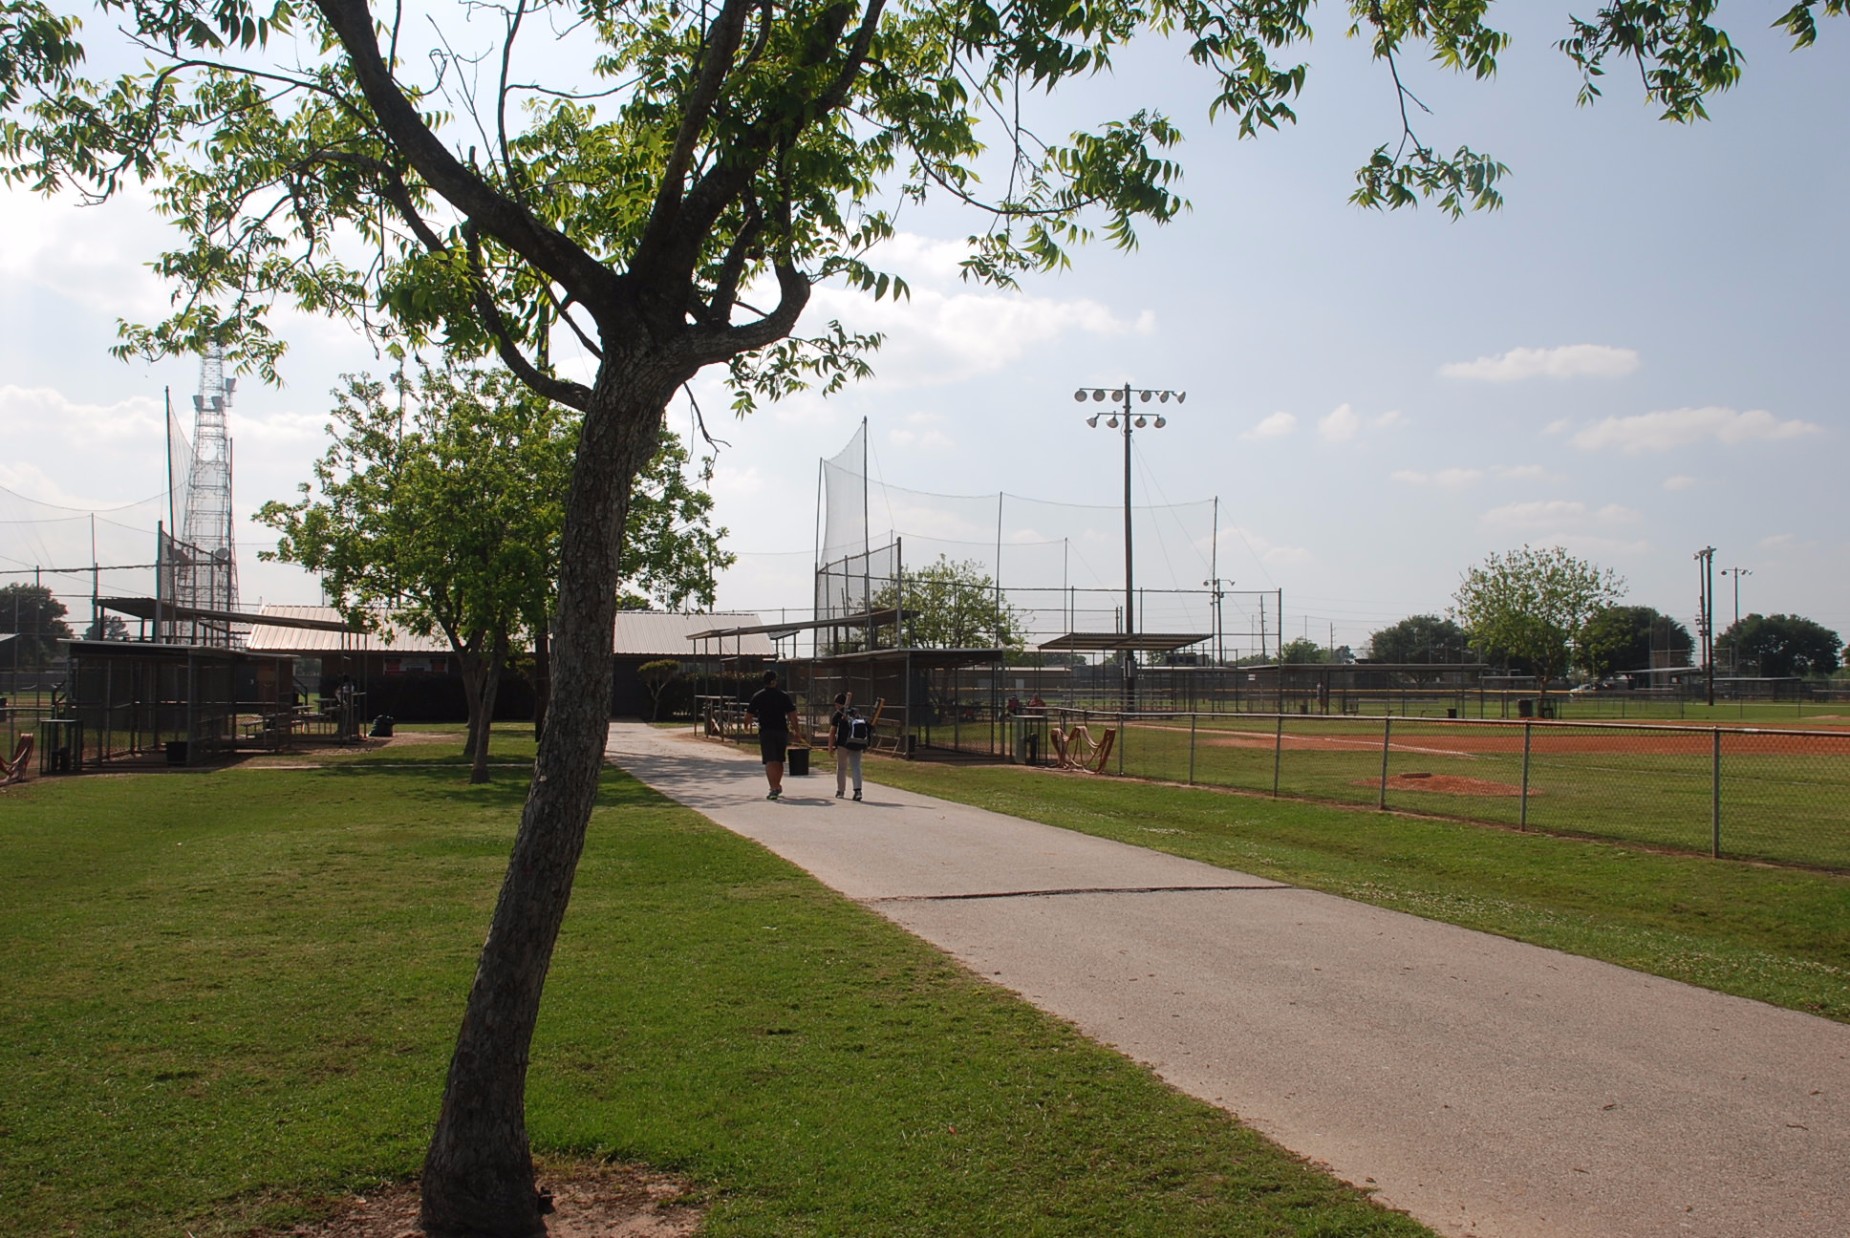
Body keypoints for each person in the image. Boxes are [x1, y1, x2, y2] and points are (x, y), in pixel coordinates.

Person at [746, 669, 800, 800]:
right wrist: (797, 730)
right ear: (774, 681)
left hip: (766, 731)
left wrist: (746, 725)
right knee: (779, 760)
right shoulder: (783, 696)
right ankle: (776, 785)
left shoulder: (758, 696)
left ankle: (774, 787)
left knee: (770, 760)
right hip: (781, 731)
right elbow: (792, 715)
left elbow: (749, 715)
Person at [828, 692, 867, 801]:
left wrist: (830, 747)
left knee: (841, 768)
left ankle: (840, 791)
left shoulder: (837, 714)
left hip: (842, 745)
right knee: (856, 767)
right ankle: (858, 791)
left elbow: (832, 732)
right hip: (856, 743)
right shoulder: (856, 712)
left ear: (837, 704)